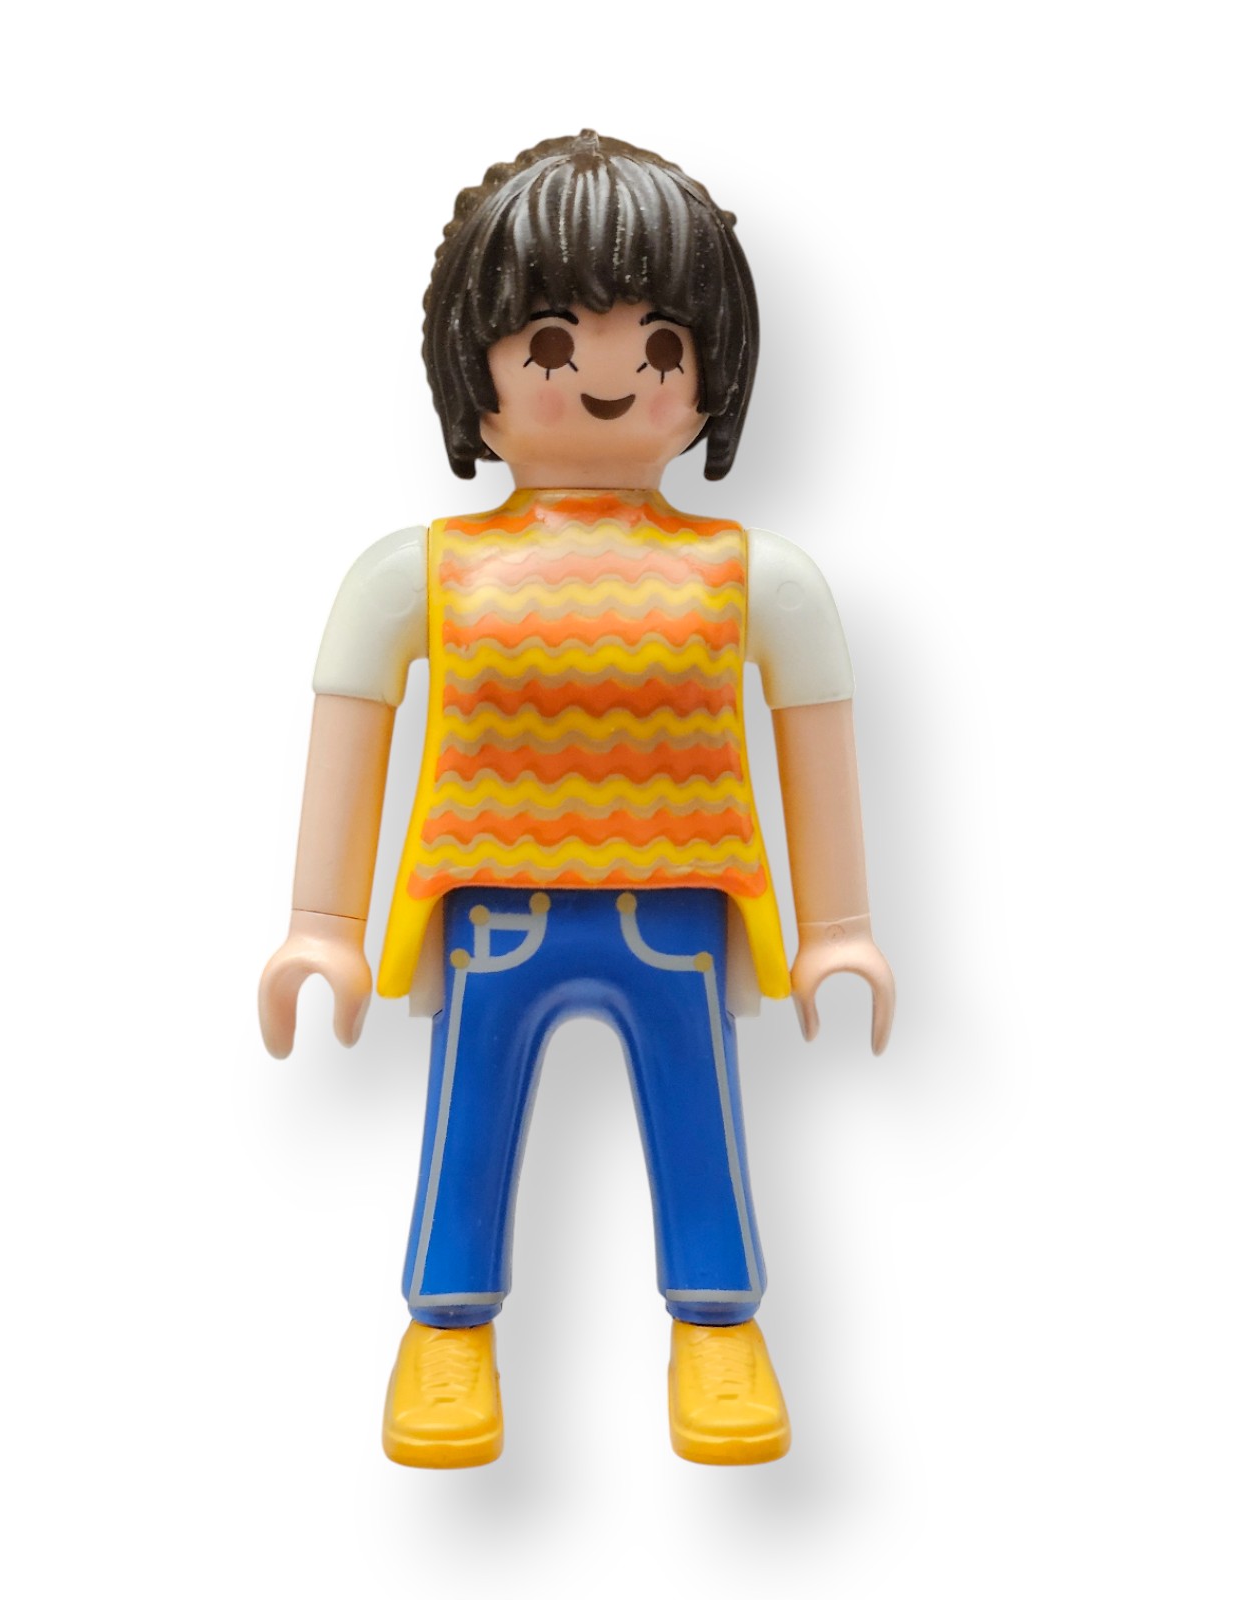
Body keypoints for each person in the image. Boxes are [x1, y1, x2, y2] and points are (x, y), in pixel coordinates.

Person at [258, 131, 894, 1468]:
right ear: (473, 372)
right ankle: (446, 1331)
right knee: (467, 1117)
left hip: (681, 905)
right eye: (551, 342)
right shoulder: (418, 572)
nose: (609, 376)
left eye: (659, 345)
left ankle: (720, 1327)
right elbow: (350, 731)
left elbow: (816, 741)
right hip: (495, 905)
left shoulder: (755, 577)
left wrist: (839, 929)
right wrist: (322, 924)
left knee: (699, 1111)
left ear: (710, 375)